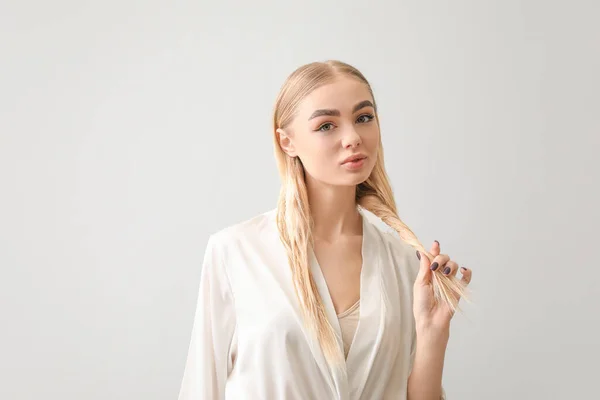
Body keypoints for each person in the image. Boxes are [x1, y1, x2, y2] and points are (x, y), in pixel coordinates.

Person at [178, 60, 472, 400]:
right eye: (326, 125)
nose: (352, 138)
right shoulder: (235, 253)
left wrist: (433, 334)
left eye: (364, 118)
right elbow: (201, 388)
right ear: (287, 142)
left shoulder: (405, 264)